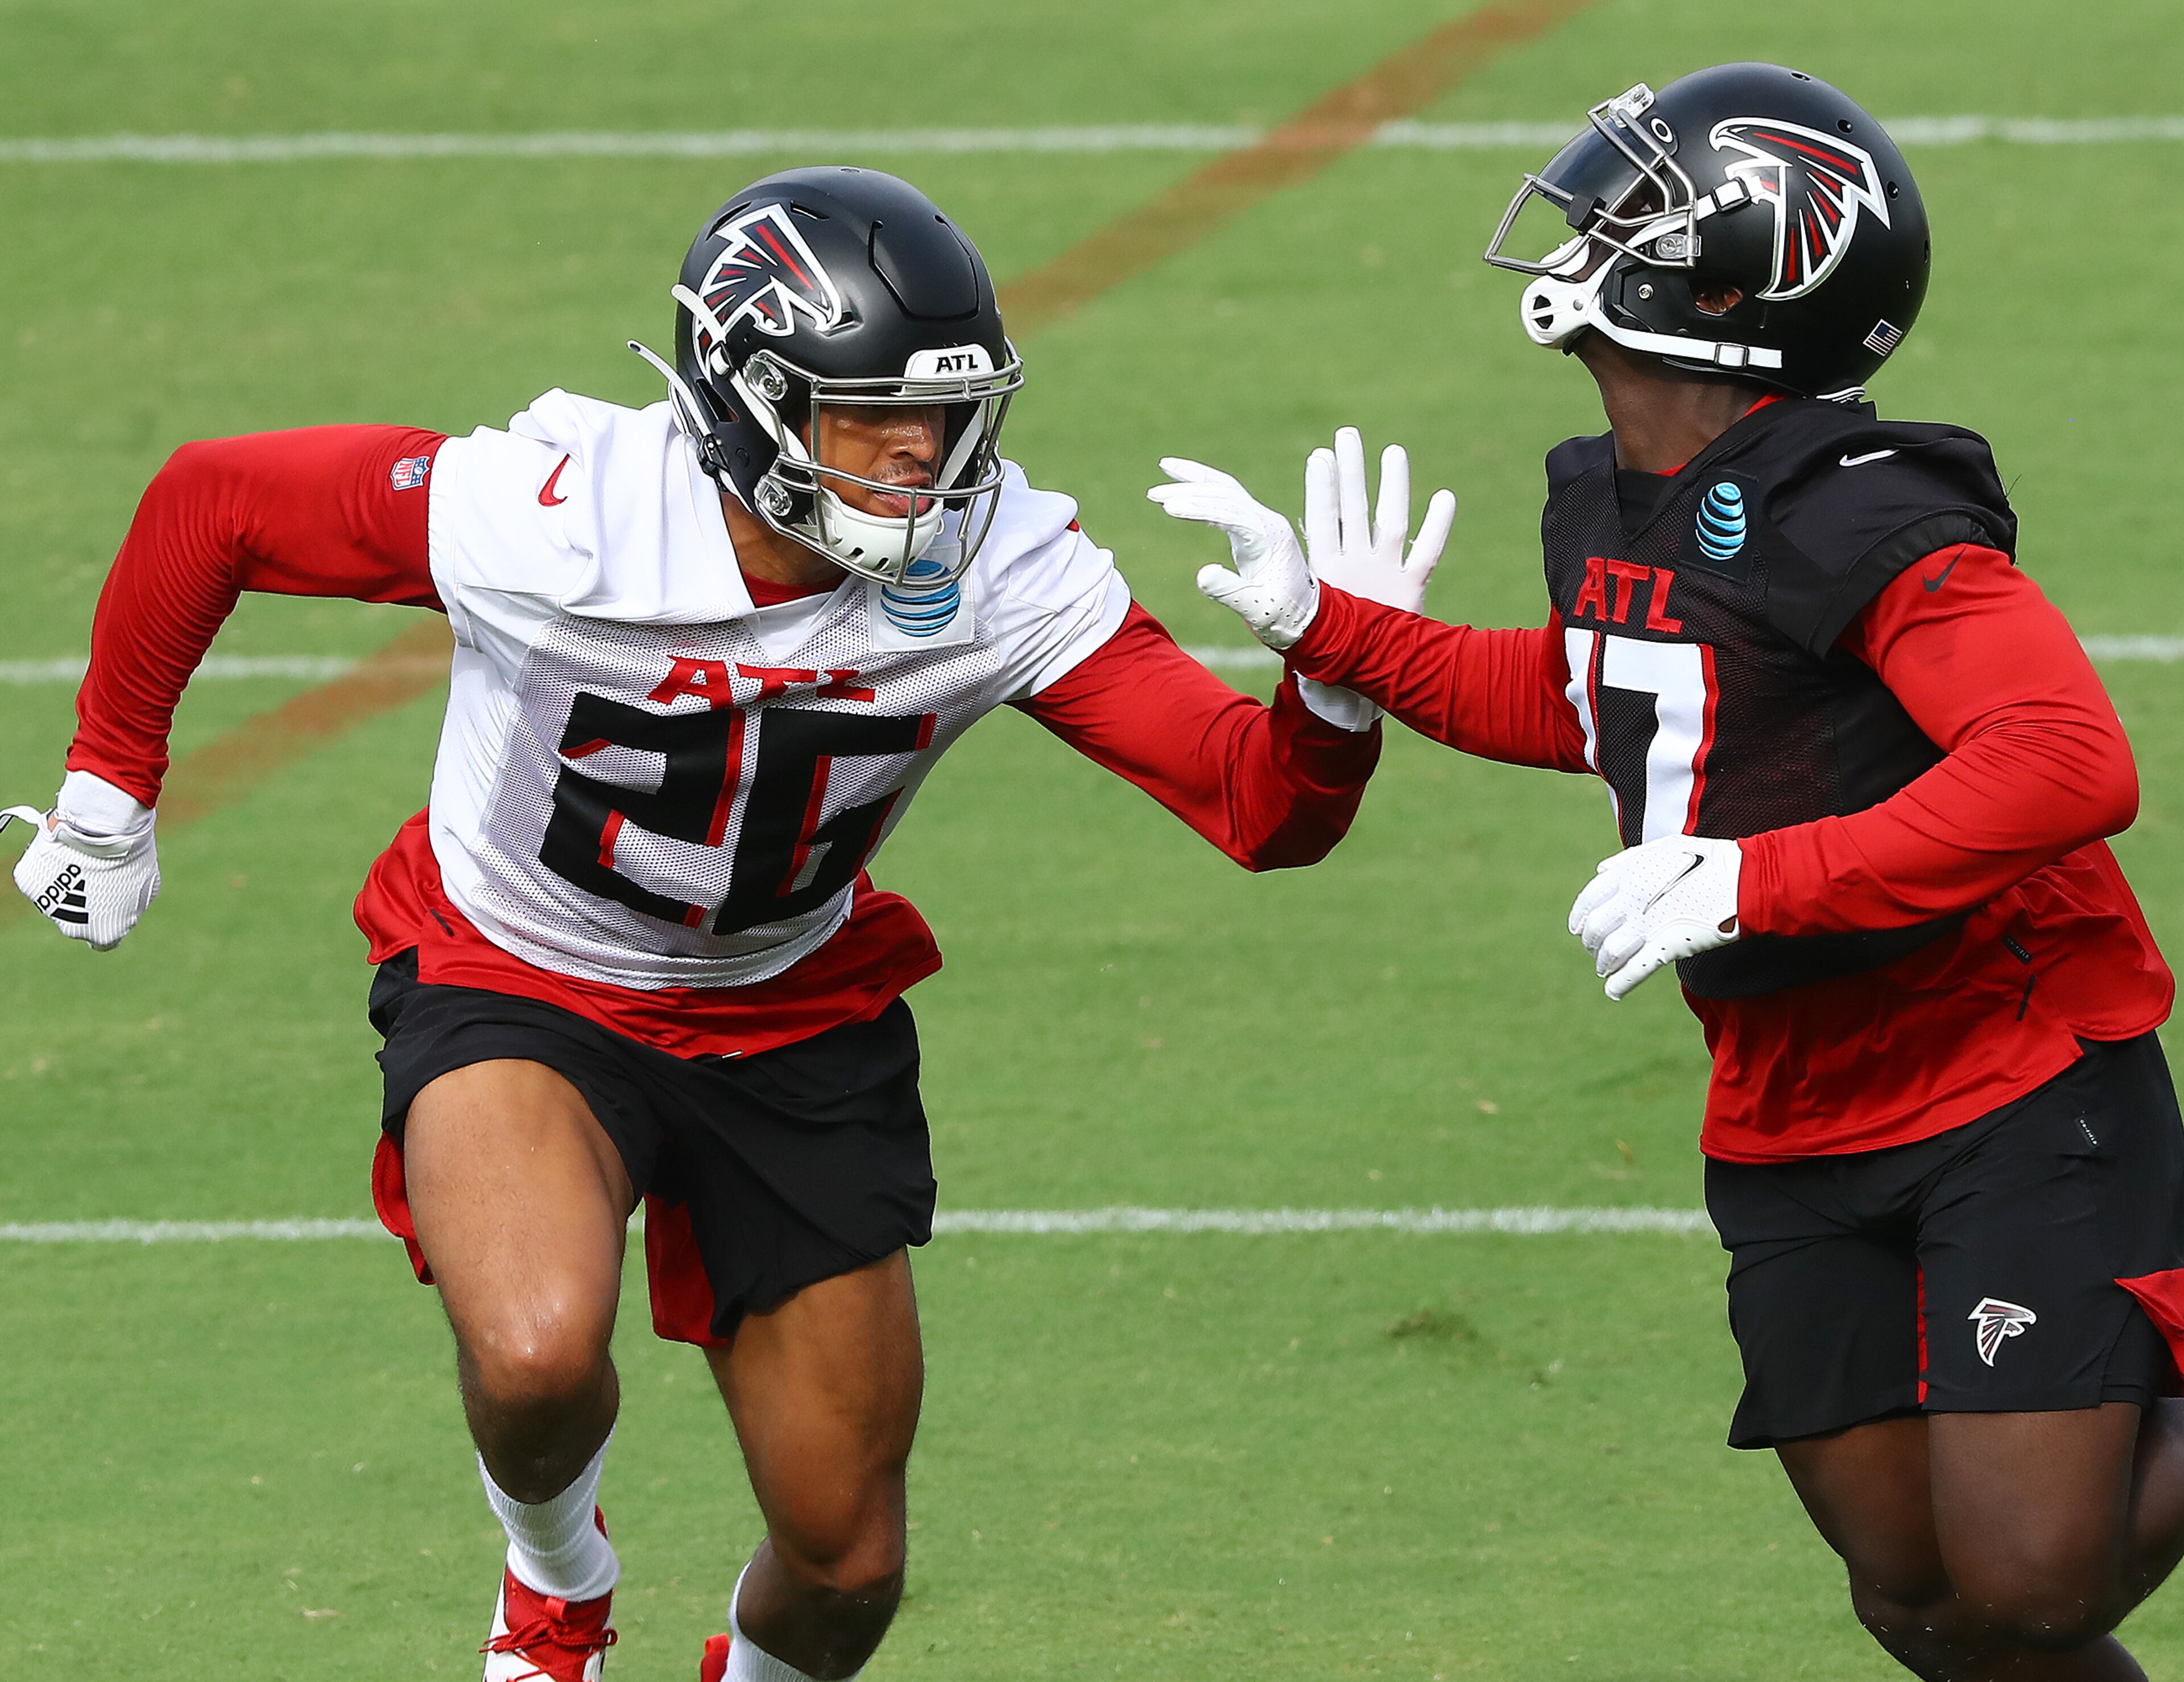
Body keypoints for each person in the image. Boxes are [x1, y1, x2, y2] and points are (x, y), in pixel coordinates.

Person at [2, 167, 1442, 1682]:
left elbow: (1259, 809)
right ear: (750, 406)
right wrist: (108, 788)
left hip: (791, 1012)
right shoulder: (558, 519)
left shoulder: (1000, 565)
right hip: (523, 971)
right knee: (540, 1348)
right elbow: (214, 503)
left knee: (847, 1566)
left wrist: (1335, 675)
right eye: (872, 417)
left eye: (949, 421)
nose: (924, 462)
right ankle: (557, 1590)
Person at [1160, 63, 2184, 1681]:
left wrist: (1759, 884)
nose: (1586, 219)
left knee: (2035, 1590)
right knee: (1920, 1603)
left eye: (1636, 206)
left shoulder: (1865, 513)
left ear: (1739, 279)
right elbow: (1627, 708)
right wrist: (1331, 633)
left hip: (2004, 1075)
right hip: (1786, 1096)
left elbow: (2070, 765)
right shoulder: (1610, 495)